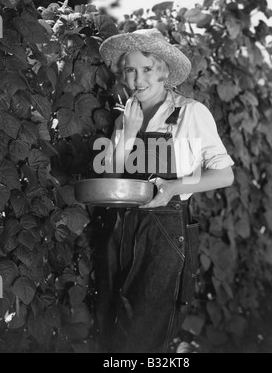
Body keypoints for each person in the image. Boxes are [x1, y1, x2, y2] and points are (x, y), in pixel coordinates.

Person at [96, 28, 234, 353]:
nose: (137, 79)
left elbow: (225, 174)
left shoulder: (189, 113)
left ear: (162, 72)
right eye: (130, 70)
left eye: (146, 70)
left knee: (145, 334)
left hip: (166, 230)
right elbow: (114, 176)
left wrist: (174, 186)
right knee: (110, 323)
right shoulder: (124, 119)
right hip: (124, 226)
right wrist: (128, 135)